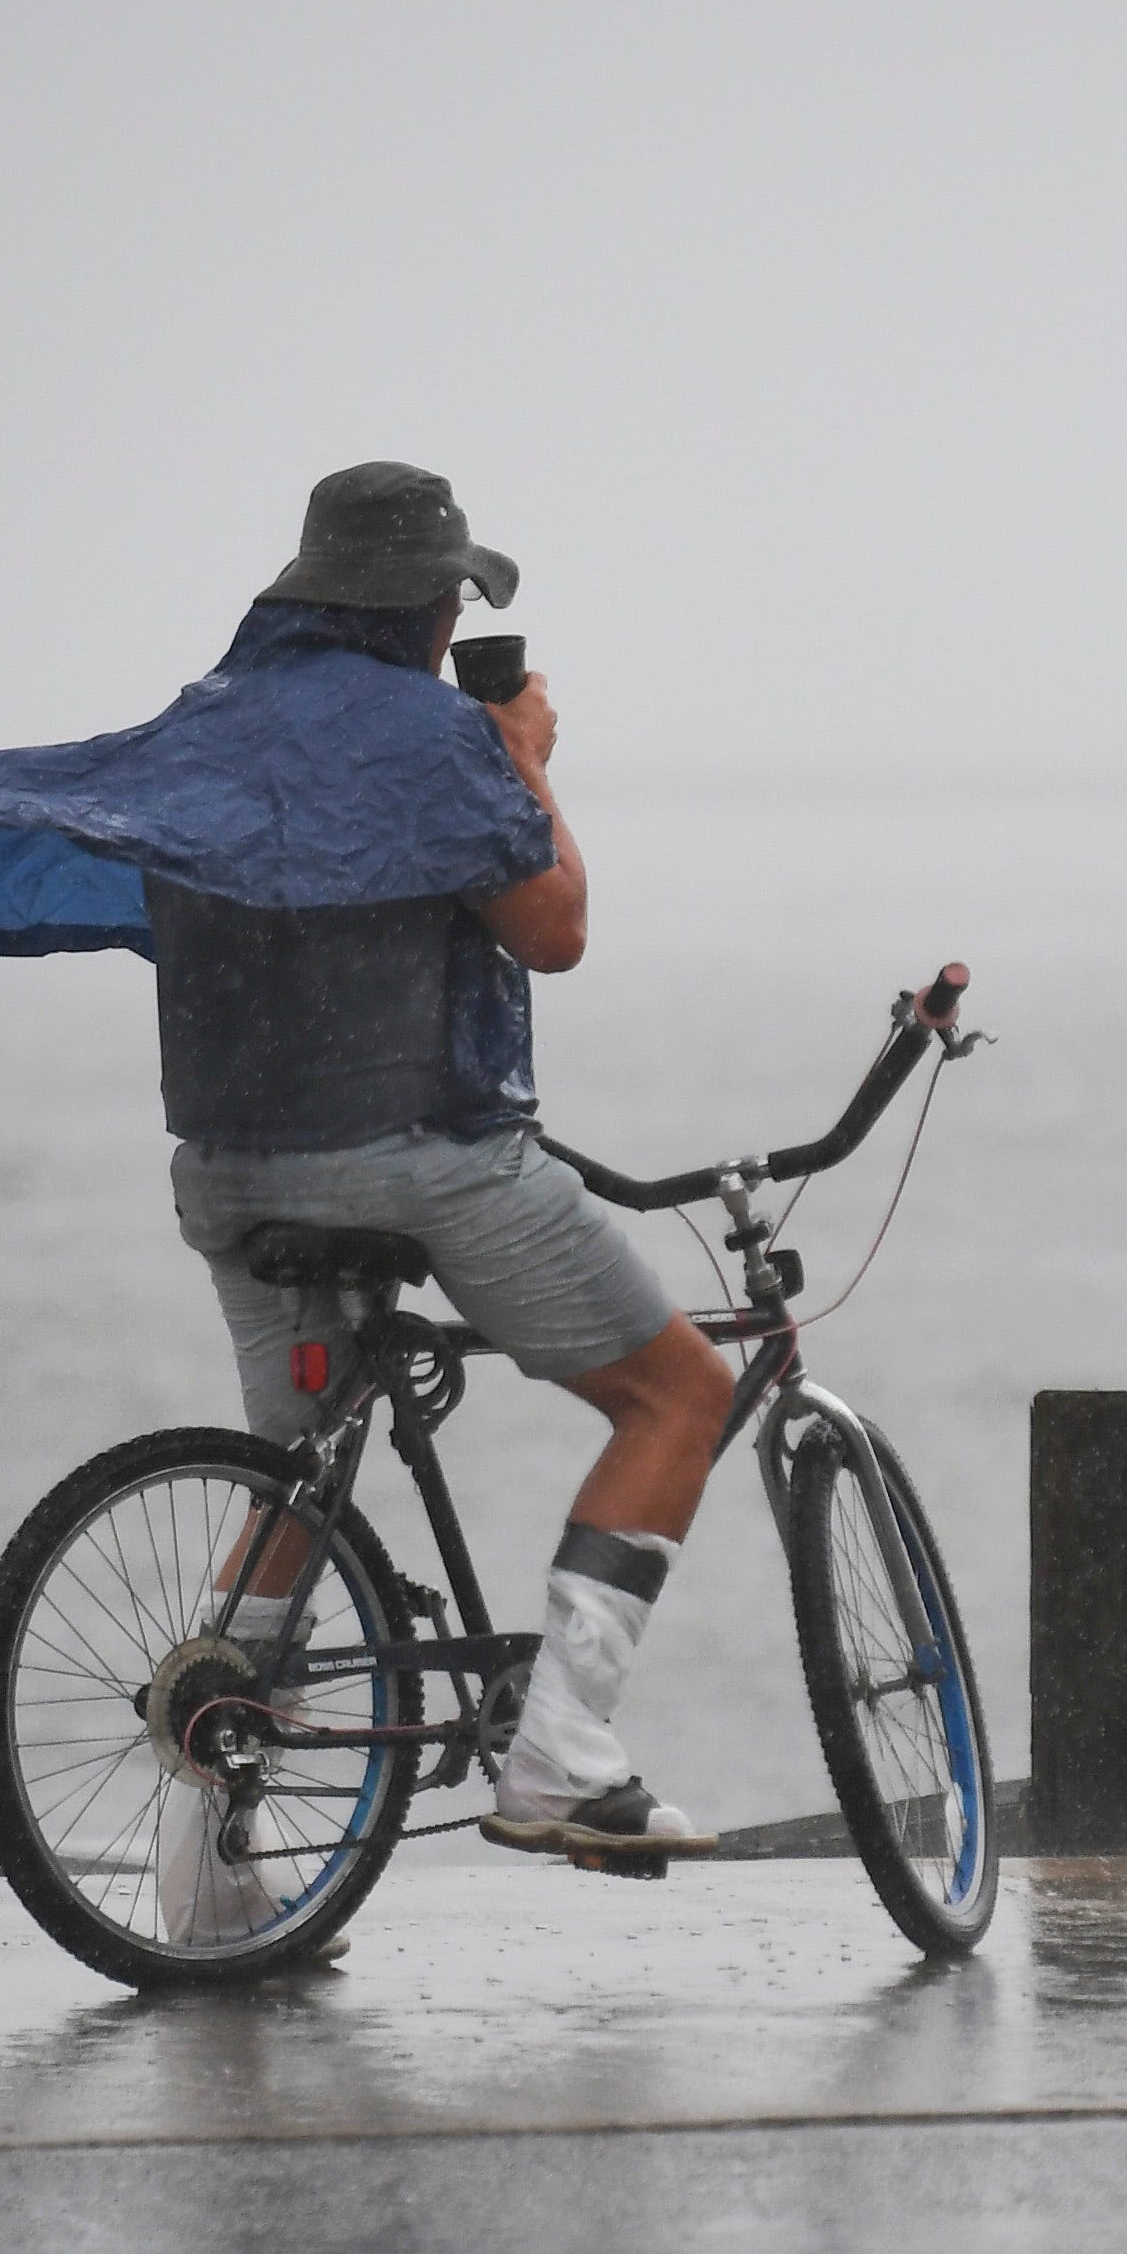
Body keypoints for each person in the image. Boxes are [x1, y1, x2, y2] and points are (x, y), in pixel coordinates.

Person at [156, 461, 735, 1906]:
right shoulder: (438, 738)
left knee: (297, 1472)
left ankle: (207, 1889)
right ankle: (562, 1758)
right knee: (681, 1396)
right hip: (415, 1157)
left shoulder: (208, 724)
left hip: (227, 1170)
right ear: (432, 611)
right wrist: (521, 756)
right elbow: (554, 929)